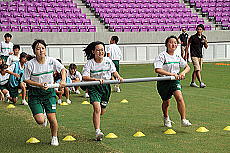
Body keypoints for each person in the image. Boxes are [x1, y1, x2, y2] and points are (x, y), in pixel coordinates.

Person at [24, 39, 66, 146]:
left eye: (43, 48)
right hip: (35, 93)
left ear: (46, 50)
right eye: (38, 49)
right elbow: (26, 80)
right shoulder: (30, 64)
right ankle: (43, 117)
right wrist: (39, 85)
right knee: (39, 120)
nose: (41, 51)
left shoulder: (51, 61)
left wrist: (63, 80)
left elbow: (63, 69)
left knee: (52, 117)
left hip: (49, 93)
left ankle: (54, 137)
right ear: (34, 52)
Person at [82, 41, 123, 141]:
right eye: (98, 50)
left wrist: (119, 77)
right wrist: (95, 80)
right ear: (93, 52)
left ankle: (97, 119)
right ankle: (97, 131)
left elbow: (114, 71)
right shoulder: (90, 63)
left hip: (105, 88)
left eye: (102, 50)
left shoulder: (108, 61)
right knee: (97, 108)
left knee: (101, 111)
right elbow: (85, 76)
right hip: (94, 87)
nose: (100, 52)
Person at [154, 35, 192, 128]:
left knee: (179, 97)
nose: (173, 44)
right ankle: (166, 117)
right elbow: (158, 69)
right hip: (163, 81)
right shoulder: (162, 55)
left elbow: (187, 67)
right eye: (171, 42)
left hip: (174, 81)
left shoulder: (177, 56)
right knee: (166, 102)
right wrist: (171, 74)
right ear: (167, 44)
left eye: (175, 43)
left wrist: (182, 73)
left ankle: (183, 119)